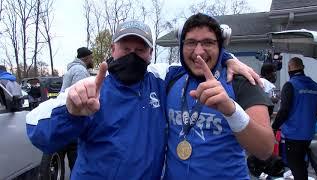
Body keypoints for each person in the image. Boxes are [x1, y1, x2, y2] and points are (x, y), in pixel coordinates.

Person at [26, 20, 262, 180]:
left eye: (140, 50)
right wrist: (70, 111)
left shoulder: (160, 78)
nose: (132, 55)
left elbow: (196, 59)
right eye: (125, 48)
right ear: (113, 49)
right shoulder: (93, 87)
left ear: (150, 53)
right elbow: (37, 128)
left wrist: (227, 58)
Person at [163, 13, 275, 179]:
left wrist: (231, 111)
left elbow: (265, 150)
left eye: (208, 42)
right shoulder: (171, 78)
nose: (199, 52)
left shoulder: (240, 82)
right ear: (181, 46)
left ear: (220, 47)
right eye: (191, 42)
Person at [39, 47, 93, 178]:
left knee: (59, 153)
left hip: (63, 118)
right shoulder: (80, 71)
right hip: (72, 118)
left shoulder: (71, 69)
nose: (92, 60)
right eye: (91, 57)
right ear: (86, 58)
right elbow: (80, 99)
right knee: (76, 160)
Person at [272, 57, 317, 180]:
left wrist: (274, 127)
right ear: (303, 67)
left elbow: (284, 110)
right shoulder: (315, 86)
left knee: (295, 165)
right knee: (302, 163)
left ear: (289, 68)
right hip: (309, 133)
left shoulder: (291, 85)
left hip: (293, 134)